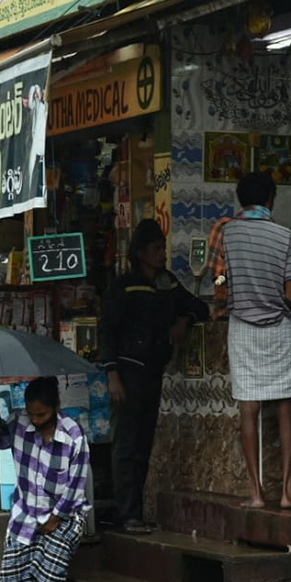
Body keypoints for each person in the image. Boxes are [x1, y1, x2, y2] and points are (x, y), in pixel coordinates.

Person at [98, 218, 209, 533]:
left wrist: (184, 319)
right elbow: (107, 331)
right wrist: (112, 375)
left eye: (163, 248)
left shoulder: (168, 284)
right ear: (142, 253)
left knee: (144, 444)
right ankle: (126, 513)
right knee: (127, 444)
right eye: (157, 249)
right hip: (127, 373)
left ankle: (136, 512)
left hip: (152, 372)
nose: (162, 254)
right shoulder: (124, 286)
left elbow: (200, 307)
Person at [206, 171, 291, 509]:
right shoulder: (284, 235)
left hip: (243, 329)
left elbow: (220, 277)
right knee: (285, 406)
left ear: (240, 199)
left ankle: (256, 493)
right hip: (278, 327)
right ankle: (288, 492)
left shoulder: (227, 232)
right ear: (270, 200)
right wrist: (277, 301)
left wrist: (223, 295)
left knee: (248, 410)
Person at [0, 377, 91, 582]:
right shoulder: (18, 424)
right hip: (25, 512)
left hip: (65, 515)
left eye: (42, 414)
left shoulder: (73, 435)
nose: (35, 419)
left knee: (52, 576)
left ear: (56, 407)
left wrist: (57, 516)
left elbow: (77, 483)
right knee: (8, 578)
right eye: (32, 413)